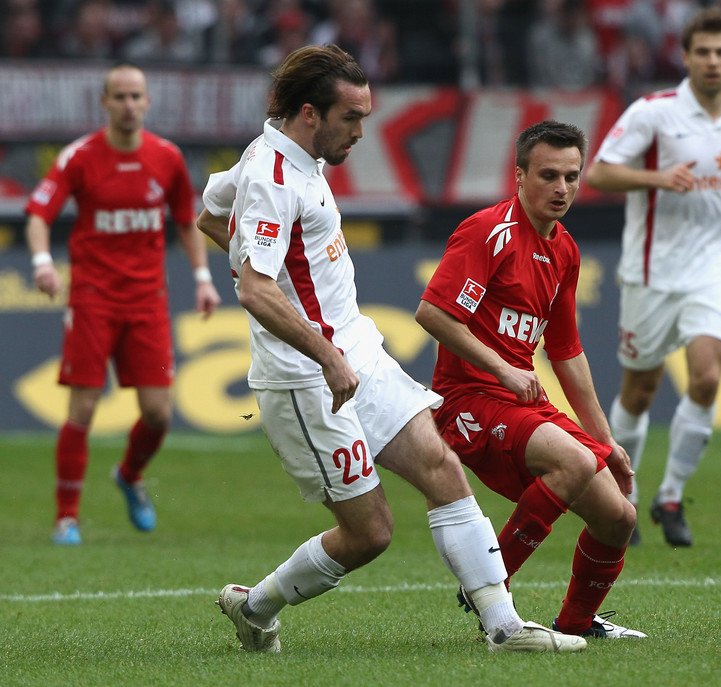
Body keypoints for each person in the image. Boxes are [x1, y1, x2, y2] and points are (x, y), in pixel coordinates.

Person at [195, 44, 586, 654]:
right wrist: (325, 354)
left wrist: (333, 342)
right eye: (351, 119)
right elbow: (253, 286)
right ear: (309, 113)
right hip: (307, 377)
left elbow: (212, 211)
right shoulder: (272, 177)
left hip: (359, 356)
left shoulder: (285, 156)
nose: (359, 132)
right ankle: (256, 605)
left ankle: (503, 627)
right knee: (370, 534)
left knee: (442, 468)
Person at [415, 120, 645, 640]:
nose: (561, 188)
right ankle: (488, 586)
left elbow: (565, 351)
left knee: (618, 517)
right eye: (548, 175)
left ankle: (579, 624)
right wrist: (502, 367)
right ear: (519, 176)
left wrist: (606, 440)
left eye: (571, 176)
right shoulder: (488, 233)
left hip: (521, 403)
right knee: (573, 460)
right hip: (468, 400)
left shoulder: (564, 249)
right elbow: (433, 313)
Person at [585, 7, 721, 547]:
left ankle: (670, 497)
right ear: (686, 57)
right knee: (640, 389)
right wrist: (657, 178)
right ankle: (624, 493)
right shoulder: (654, 114)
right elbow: (598, 171)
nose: (713, 61)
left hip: (715, 269)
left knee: (708, 378)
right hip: (651, 273)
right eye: (703, 52)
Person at [24, 62, 221, 546]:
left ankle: (129, 476)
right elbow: (38, 213)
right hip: (92, 298)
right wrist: (43, 261)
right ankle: (66, 517)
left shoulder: (167, 158)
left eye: (137, 96)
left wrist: (202, 279)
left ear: (147, 102)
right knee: (84, 407)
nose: (129, 105)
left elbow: (185, 222)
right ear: (105, 102)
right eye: (120, 97)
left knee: (158, 413)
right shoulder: (80, 157)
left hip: (147, 300)